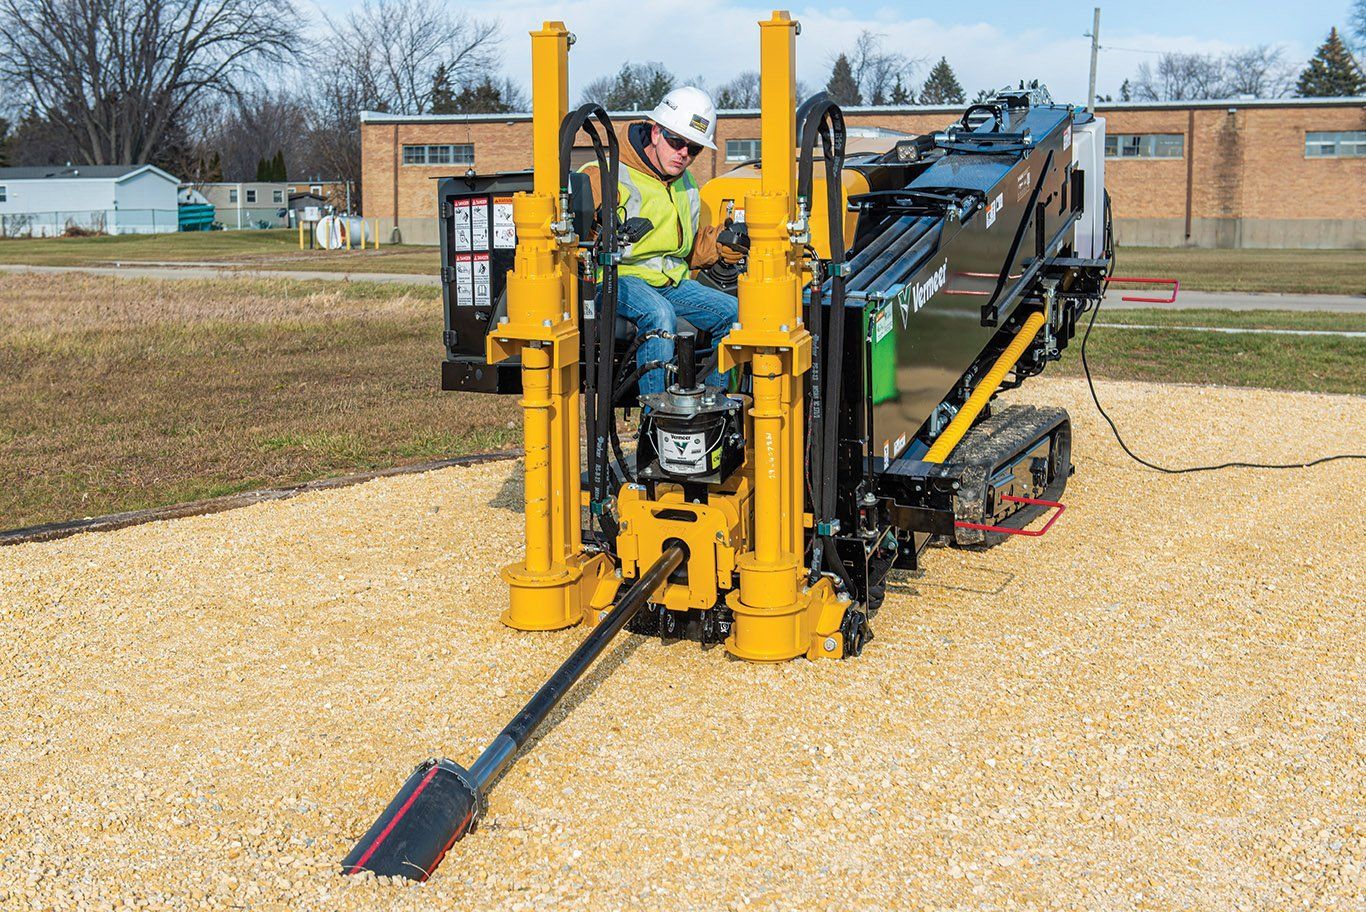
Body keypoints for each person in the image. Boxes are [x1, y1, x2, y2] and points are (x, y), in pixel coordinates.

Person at [580, 86, 745, 396]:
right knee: (659, 314)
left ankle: (716, 412)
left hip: (670, 283)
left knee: (734, 314)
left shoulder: (687, 184)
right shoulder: (606, 175)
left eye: (693, 148)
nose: (683, 154)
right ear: (655, 132)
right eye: (676, 142)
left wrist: (721, 244)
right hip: (616, 281)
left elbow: (686, 248)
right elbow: (574, 237)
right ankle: (656, 417)